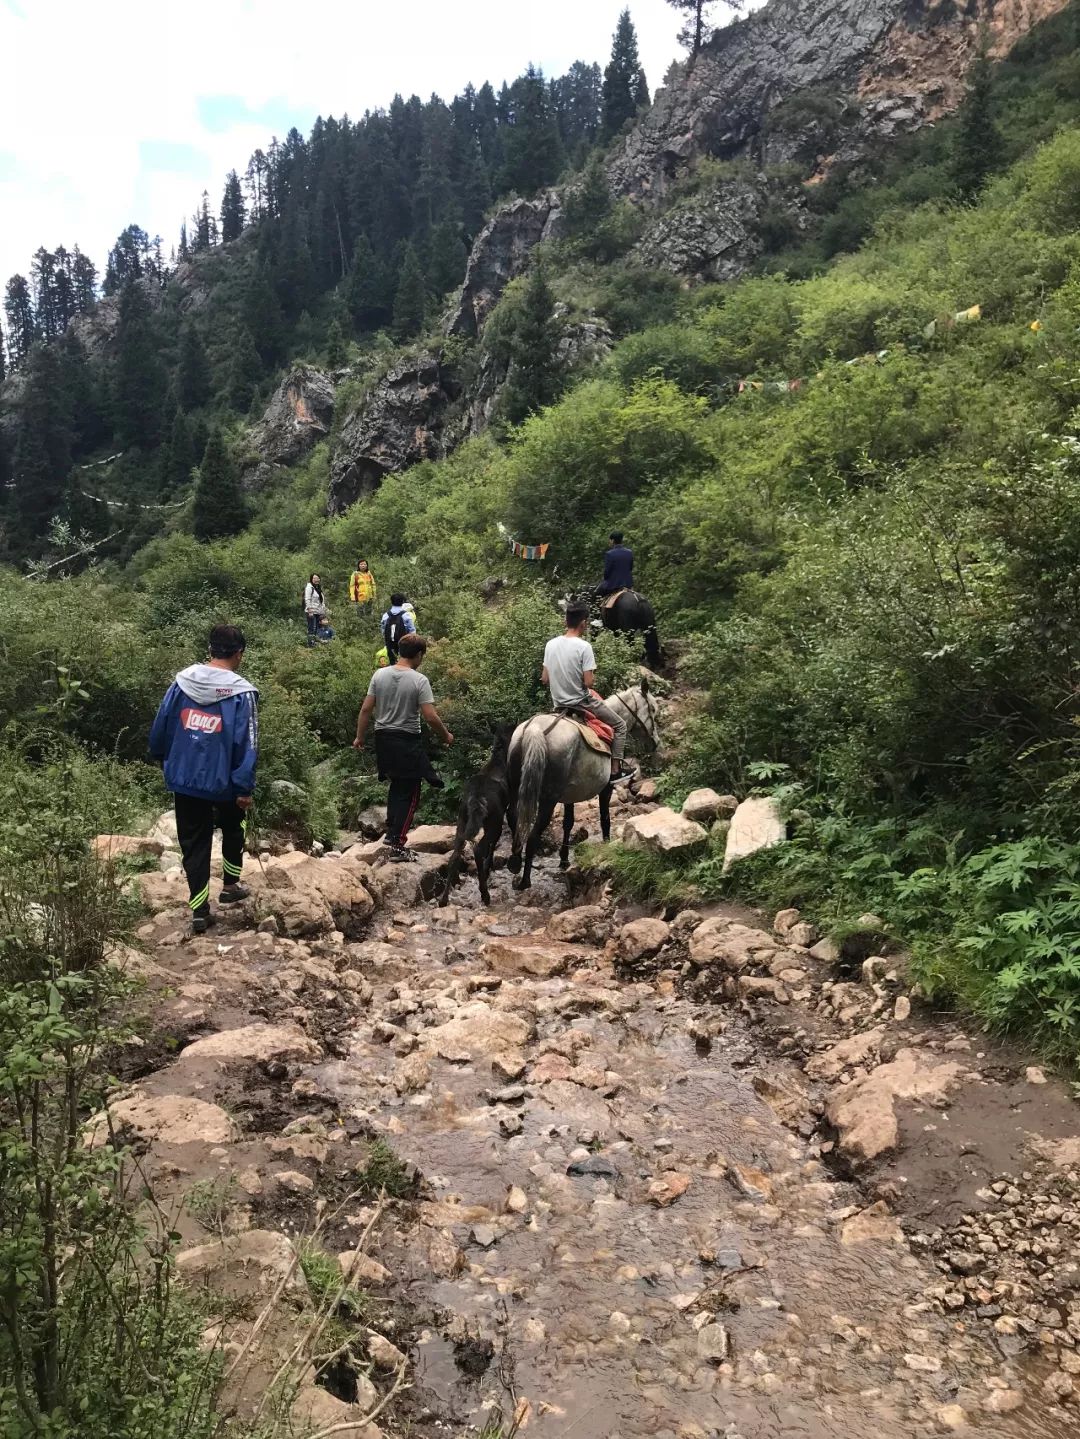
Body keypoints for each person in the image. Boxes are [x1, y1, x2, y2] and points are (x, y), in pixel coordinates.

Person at [149, 624, 258, 934]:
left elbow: (162, 724)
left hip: (185, 777)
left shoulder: (181, 683)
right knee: (235, 826)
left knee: (193, 843)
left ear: (210, 650)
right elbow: (246, 743)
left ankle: (199, 911)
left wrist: (164, 760)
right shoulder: (242, 693)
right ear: (239, 654)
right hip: (225, 780)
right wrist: (244, 786)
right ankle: (231, 885)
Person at [353, 634, 453, 861]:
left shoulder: (379, 674)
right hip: (406, 739)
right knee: (411, 793)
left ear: (399, 651)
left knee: (397, 785)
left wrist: (360, 737)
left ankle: (391, 834)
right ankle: (398, 845)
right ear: (418, 655)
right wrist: (446, 735)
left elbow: (366, 709)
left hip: (383, 738)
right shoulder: (419, 680)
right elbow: (430, 716)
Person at [542, 604, 633, 784]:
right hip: (582, 702)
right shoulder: (584, 647)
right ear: (583, 623)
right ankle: (615, 771)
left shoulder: (550, 644)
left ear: (565, 621)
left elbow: (545, 678)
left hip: (558, 703)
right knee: (621, 725)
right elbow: (588, 683)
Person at [380, 592, 416, 661]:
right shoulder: (406, 615)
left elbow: (383, 631)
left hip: (390, 645)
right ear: (402, 602)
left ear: (391, 602)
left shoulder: (386, 615)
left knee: (393, 663)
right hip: (404, 645)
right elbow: (412, 632)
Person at [598, 531, 634, 596]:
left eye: (610, 540)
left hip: (614, 584)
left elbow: (607, 572)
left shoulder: (609, 554)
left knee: (597, 593)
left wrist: (605, 579)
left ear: (613, 541)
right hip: (628, 584)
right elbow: (630, 568)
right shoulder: (629, 552)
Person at [304, 573, 327, 647]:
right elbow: (307, 599)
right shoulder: (309, 587)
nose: (316, 580)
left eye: (317, 578)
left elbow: (321, 601)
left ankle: (314, 643)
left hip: (318, 612)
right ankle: (310, 644)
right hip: (311, 611)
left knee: (316, 628)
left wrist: (323, 611)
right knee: (312, 628)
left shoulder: (318, 588)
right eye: (314, 578)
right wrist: (310, 610)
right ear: (311, 579)